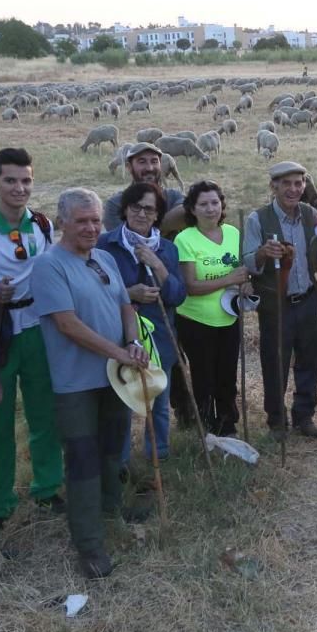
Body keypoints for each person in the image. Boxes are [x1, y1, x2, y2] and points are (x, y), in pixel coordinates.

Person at [32, 188, 150, 579]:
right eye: (81, 220)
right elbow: (68, 325)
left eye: (96, 220)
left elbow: (124, 305)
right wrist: (118, 354)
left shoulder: (103, 258)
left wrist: (131, 342)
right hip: (76, 384)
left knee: (112, 448)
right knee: (82, 460)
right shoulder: (49, 266)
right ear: (61, 221)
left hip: (114, 378)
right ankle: (89, 543)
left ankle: (111, 508)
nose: (91, 227)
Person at [0, 148, 65, 536]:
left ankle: (47, 486)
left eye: (26, 180)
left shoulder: (42, 224)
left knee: (44, 413)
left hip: (38, 328)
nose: (20, 188)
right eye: (11, 180)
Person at [96, 181, 187, 469]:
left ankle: (157, 456)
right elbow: (95, 291)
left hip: (160, 336)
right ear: (125, 209)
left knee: (158, 401)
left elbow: (177, 296)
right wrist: (128, 293)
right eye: (136, 207)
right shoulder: (105, 245)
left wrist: (158, 267)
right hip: (119, 337)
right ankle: (119, 464)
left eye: (150, 209)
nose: (142, 214)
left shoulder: (168, 250)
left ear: (158, 214)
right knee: (121, 402)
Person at [243, 161, 317, 439]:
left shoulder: (310, 214)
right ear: (274, 186)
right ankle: (277, 421)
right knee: (275, 361)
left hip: (308, 300)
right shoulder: (258, 219)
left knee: (311, 360)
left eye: (298, 183)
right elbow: (248, 264)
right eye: (286, 183)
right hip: (275, 303)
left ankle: (304, 415)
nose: (293, 189)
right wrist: (263, 254)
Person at [173, 180, 249, 437]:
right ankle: (207, 427)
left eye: (214, 202)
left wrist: (245, 286)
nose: (210, 209)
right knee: (204, 377)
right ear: (192, 209)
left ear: (222, 204)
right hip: (196, 321)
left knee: (227, 374)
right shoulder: (185, 239)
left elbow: (241, 274)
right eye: (203, 204)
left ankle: (228, 424)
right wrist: (230, 280)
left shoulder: (234, 234)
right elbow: (191, 286)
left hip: (228, 317)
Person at [102, 142, 186, 236]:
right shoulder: (116, 203)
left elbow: (187, 212)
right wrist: (168, 226)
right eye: (142, 162)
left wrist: (150, 229)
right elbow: (123, 240)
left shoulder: (174, 196)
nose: (149, 168)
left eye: (154, 161)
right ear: (129, 167)